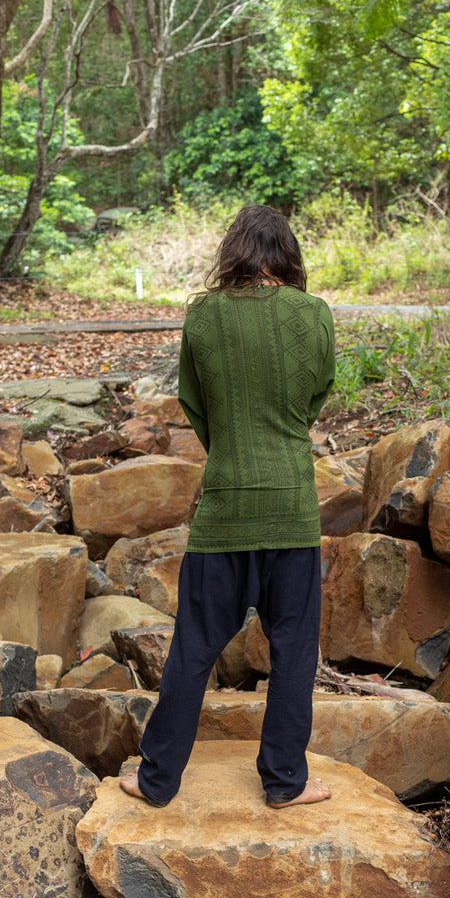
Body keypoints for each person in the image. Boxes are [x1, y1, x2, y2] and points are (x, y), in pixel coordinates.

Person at [120, 204, 336, 809]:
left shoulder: (203, 317)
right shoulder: (314, 315)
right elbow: (314, 397)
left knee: (193, 648)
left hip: (222, 518)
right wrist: (279, 442)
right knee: (294, 652)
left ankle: (157, 781)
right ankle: (285, 783)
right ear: (287, 256)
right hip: (293, 511)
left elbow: (196, 403)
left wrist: (234, 453)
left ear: (234, 253)